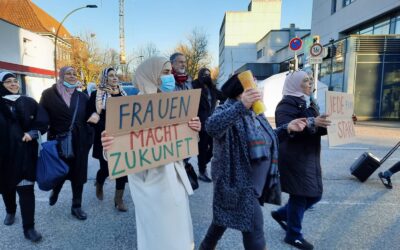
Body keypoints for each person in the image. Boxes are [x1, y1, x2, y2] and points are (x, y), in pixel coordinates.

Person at [101, 57, 201, 250]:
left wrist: (193, 130)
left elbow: (183, 143)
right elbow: (117, 151)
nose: (170, 77)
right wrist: (109, 145)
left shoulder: (174, 105)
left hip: (176, 183)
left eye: (170, 73)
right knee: (158, 238)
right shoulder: (131, 108)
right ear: (151, 74)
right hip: (149, 186)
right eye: (165, 73)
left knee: (179, 237)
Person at [199, 73, 307, 250]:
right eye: (253, 87)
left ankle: (204, 247)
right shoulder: (227, 109)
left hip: (256, 185)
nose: (258, 91)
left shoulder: (256, 113)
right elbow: (211, 127)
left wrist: (287, 128)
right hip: (238, 184)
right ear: (240, 92)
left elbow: (267, 138)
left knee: (220, 221)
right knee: (255, 232)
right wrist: (241, 106)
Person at [271, 71, 331, 250]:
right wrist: (313, 121)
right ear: (295, 84)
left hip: (309, 155)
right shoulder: (285, 104)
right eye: (306, 80)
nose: (311, 82)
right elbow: (288, 128)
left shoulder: (309, 101)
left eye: (311, 80)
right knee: (300, 194)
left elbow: (317, 127)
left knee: (315, 194)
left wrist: (334, 124)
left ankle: (282, 214)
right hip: (293, 156)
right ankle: (293, 235)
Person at [40, 66, 93, 220]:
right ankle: (55, 191)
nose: (71, 76)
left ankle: (76, 206)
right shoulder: (49, 94)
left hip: (80, 142)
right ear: (61, 75)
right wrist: (35, 131)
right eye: (68, 73)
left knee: (78, 175)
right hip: (58, 140)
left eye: (74, 73)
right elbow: (42, 117)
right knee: (60, 170)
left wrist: (91, 130)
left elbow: (91, 115)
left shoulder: (82, 96)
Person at [0, 72, 48, 242]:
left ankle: (29, 227)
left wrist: (33, 132)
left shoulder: (28, 101)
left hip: (25, 155)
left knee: (26, 190)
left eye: (15, 81)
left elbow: (42, 120)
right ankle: (10, 210)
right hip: (3, 157)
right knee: (6, 188)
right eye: (8, 82)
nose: (13, 84)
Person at [87, 67, 128, 211]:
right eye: (111, 76)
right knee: (106, 168)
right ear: (105, 78)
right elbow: (91, 115)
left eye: (116, 75)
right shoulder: (96, 94)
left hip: (121, 135)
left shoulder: (122, 93)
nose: (115, 78)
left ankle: (118, 199)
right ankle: (99, 183)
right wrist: (104, 128)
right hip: (104, 135)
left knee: (122, 167)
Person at [192, 68, 222, 182]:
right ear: (200, 75)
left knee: (214, 147)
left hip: (211, 122)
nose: (207, 76)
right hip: (200, 122)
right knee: (202, 147)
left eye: (208, 74)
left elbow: (224, 95)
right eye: (204, 74)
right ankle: (202, 171)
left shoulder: (212, 88)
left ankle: (203, 164)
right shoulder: (194, 85)